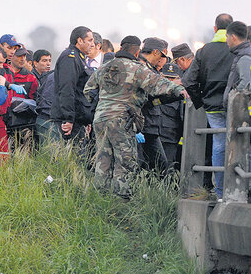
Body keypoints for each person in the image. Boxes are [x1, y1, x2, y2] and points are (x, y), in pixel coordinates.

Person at [83, 35, 188, 198]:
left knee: (103, 160)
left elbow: (88, 90)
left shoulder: (105, 66)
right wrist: (179, 91)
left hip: (101, 118)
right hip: (122, 120)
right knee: (125, 161)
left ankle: (99, 198)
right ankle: (121, 200)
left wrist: (103, 105)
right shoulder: (137, 68)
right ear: (137, 50)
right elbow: (158, 83)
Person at [182, 13, 234, 200]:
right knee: (239, 143)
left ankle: (219, 193)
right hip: (236, 106)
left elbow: (188, 81)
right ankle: (238, 191)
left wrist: (200, 101)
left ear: (215, 29)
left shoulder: (204, 51)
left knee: (219, 145)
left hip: (212, 107)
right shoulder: (237, 49)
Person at [51, 26, 95, 141]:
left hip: (79, 119)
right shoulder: (70, 57)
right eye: (90, 40)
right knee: (74, 157)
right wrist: (68, 119)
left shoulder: (79, 58)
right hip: (70, 122)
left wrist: (87, 119)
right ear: (80, 41)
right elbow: (67, 89)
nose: (92, 44)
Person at [137, 37, 174, 173]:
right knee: (145, 165)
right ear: (155, 52)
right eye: (160, 56)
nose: (160, 60)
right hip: (142, 125)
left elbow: (153, 100)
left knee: (159, 165)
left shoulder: (151, 69)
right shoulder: (142, 69)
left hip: (151, 126)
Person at [0, 35, 25, 159]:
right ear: (0, 46)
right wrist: (9, 85)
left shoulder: (8, 69)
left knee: (3, 154)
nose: (12, 51)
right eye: (9, 47)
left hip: (1, 115)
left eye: (14, 48)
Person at [223, 21, 251, 108]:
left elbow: (246, 83)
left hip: (240, 110)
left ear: (233, 37)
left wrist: (232, 95)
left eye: (227, 37)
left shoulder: (244, 57)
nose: (226, 40)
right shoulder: (242, 53)